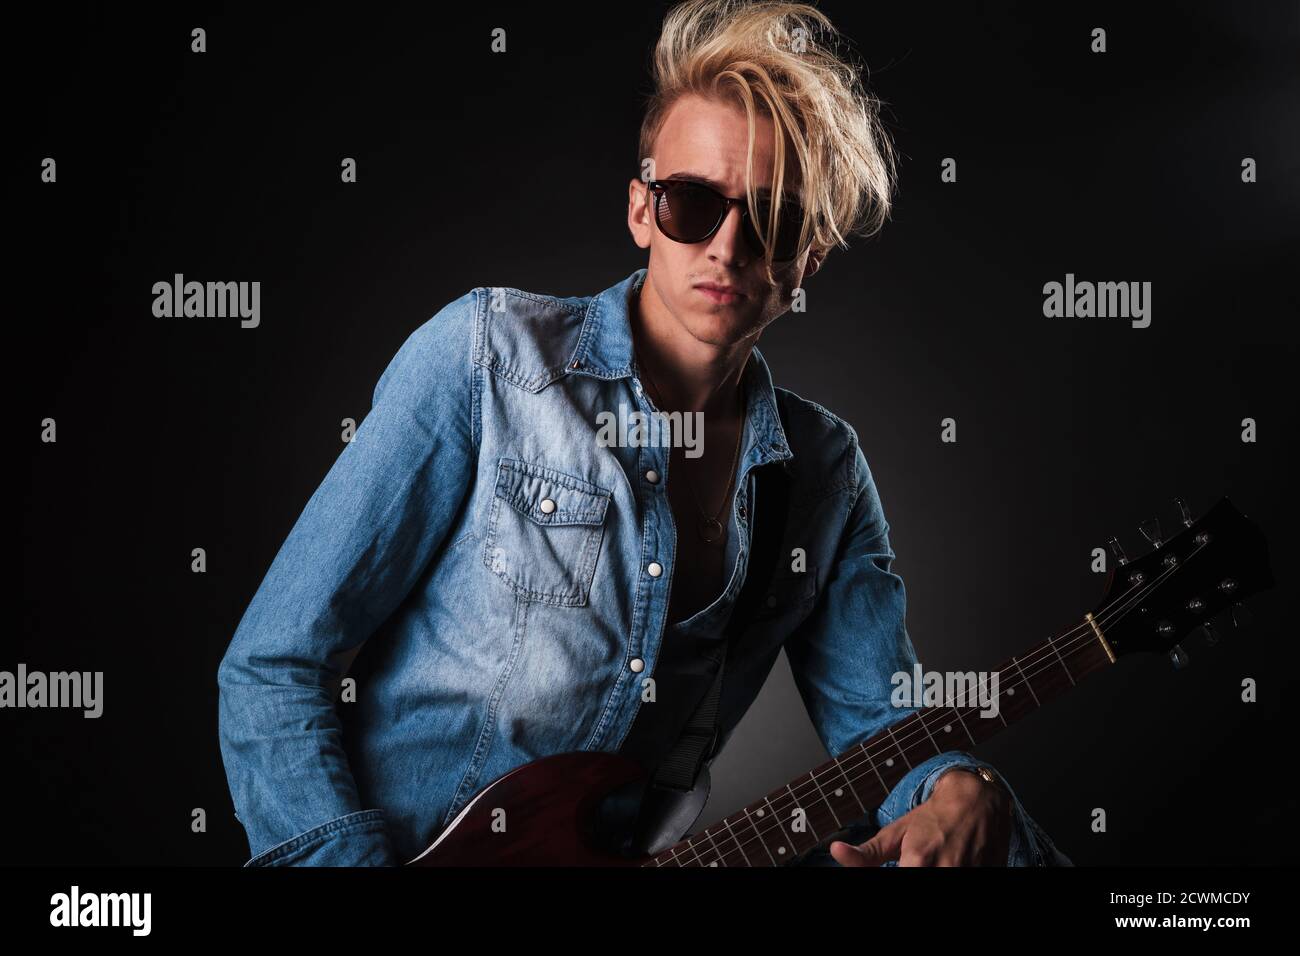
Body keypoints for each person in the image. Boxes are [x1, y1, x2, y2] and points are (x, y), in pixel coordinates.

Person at [217, 0, 1071, 867]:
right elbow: (274, 667)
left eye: (770, 220)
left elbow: (879, 726)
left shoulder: (824, 474)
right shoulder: (486, 361)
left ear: (809, 254)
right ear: (640, 211)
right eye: (693, 203)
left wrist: (962, 785)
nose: (727, 248)